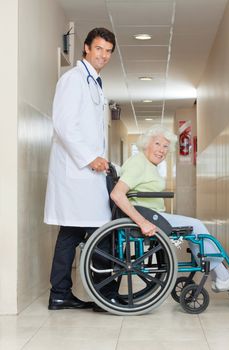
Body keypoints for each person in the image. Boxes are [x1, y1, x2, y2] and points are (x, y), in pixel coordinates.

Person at [110, 125, 229, 292]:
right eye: (158, 144)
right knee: (197, 226)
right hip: (149, 217)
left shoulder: (146, 163)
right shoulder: (138, 163)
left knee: (194, 230)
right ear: (147, 144)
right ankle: (223, 277)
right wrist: (143, 222)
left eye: (166, 146)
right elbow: (117, 195)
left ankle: (219, 275)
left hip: (153, 215)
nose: (161, 150)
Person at [44, 27, 116, 311]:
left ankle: (61, 293)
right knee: (101, 234)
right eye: (99, 48)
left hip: (85, 174)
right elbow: (63, 125)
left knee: (71, 234)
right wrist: (90, 158)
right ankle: (104, 295)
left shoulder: (94, 82)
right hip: (78, 172)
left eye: (108, 51)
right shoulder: (73, 79)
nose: (103, 55)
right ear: (86, 48)